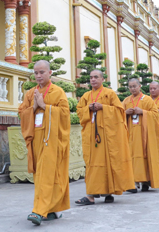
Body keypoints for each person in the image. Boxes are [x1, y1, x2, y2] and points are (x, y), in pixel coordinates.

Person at [19, 60, 70, 225]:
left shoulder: (58, 92)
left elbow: (64, 114)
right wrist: (34, 107)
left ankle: (38, 211)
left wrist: (45, 106)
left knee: (47, 175)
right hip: (36, 140)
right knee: (40, 176)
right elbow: (21, 112)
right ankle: (52, 209)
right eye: (36, 73)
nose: (38, 76)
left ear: (50, 73)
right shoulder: (30, 93)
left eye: (42, 72)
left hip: (52, 139)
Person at [75, 70, 135, 205]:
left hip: (107, 137)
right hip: (92, 136)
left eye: (96, 77)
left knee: (108, 162)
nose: (93, 79)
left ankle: (108, 192)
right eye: (91, 77)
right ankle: (91, 194)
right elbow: (79, 111)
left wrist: (103, 107)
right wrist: (88, 109)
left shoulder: (110, 94)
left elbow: (120, 112)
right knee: (93, 164)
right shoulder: (86, 96)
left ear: (102, 79)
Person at [123, 78, 159, 192]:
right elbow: (118, 115)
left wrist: (143, 112)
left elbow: (156, 115)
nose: (132, 88)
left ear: (140, 86)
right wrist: (125, 113)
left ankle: (146, 181)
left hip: (144, 134)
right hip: (131, 133)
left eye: (134, 86)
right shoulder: (126, 101)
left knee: (145, 156)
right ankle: (133, 183)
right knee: (131, 157)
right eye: (130, 86)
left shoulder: (147, 100)